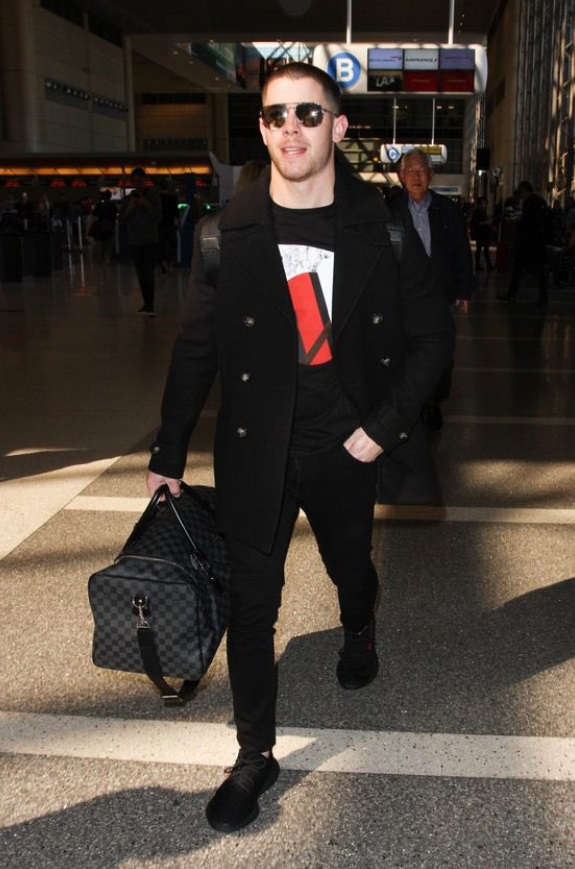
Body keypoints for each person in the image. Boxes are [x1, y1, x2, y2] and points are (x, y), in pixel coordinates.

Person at [146, 62, 454, 833]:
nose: (291, 126)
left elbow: (431, 338)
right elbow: (195, 351)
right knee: (253, 602)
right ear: (260, 128)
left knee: (349, 563)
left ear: (338, 128)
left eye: (308, 114)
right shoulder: (227, 233)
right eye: (276, 114)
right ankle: (254, 752)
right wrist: (168, 452)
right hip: (257, 442)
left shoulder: (377, 226)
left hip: (341, 442)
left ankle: (359, 623)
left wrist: (380, 426)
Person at [394, 148, 474, 430]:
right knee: (405, 352)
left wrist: (464, 290)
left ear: (431, 175)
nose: (416, 176)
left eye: (422, 170)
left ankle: (433, 402)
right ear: (402, 176)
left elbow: (462, 252)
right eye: (411, 171)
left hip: (439, 294)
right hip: (403, 297)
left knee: (441, 354)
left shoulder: (447, 209)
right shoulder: (390, 210)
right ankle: (411, 404)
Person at [497, 180, 548, 307]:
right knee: (538, 271)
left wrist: (517, 224)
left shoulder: (529, 202)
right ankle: (542, 296)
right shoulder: (541, 201)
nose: (520, 195)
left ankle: (512, 294)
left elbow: (527, 223)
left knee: (519, 269)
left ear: (525, 190)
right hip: (538, 242)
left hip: (528, 243)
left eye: (521, 192)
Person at [119, 167, 162, 315]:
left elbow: (158, 218)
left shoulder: (153, 197)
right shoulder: (128, 199)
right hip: (134, 241)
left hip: (150, 240)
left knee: (148, 273)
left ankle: (150, 304)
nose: (138, 184)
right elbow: (121, 221)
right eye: (135, 181)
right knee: (141, 274)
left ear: (145, 181)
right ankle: (146, 303)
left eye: (140, 180)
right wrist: (130, 208)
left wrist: (147, 205)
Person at [89, 189, 117, 262]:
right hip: (110, 225)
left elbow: (94, 213)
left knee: (102, 241)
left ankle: (102, 256)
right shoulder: (113, 205)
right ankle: (108, 257)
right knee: (109, 242)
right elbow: (115, 215)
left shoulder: (100, 204)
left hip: (101, 225)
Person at [469, 196, 494, 271]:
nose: (483, 205)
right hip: (480, 233)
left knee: (482, 250)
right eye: (482, 203)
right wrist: (485, 223)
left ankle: (486, 265)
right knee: (480, 250)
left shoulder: (482, 211)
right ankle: (481, 265)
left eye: (484, 203)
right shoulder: (477, 212)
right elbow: (476, 223)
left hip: (483, 233)